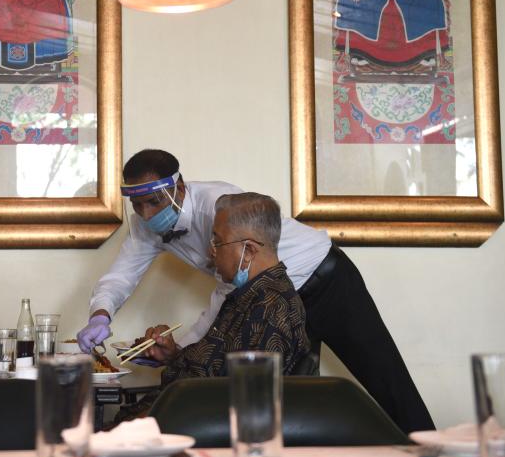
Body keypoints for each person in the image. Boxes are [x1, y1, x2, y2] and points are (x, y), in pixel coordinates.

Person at [77, 149, 435, 433]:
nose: (145, 213)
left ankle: (431, 455)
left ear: (179, 187)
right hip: (262, 297)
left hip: (325, 282)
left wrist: (185, 347)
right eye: (136, 205)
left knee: (388, 381)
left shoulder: (220, 206)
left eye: (153, 201)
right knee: (277, 406)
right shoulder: (146, 227)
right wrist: (101, 314)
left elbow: (226, 292)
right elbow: (120, 276)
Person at [113, 192, 311, 422]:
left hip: (184, 425)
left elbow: (239, 403)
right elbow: (213, 367)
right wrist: (174, 355)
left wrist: (140, 426)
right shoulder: (245, 296)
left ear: (248, 251)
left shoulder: (270, 309)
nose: (211, 251)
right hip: (168, 412)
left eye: (218, 241)